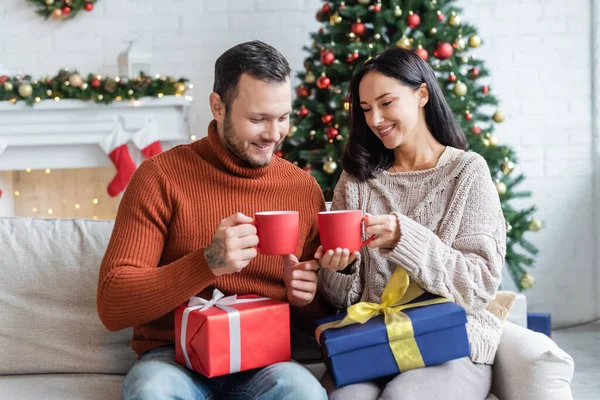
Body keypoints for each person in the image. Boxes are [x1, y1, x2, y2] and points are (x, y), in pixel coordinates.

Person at [97, 40, 327, 400]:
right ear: (218, 107)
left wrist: (304, 297)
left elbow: (318, 316)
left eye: (283, 117)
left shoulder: (302, 189)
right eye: (257, 119)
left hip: (264, 358)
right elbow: (112, 304)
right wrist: (207, 263)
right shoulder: (159, 177)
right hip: (173, 358)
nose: (274, 134)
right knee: (152, 390)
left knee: (305, 392)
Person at [315, 48, 506, 400]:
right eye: (366, 109)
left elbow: (478, 288)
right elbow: (343, 301)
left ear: (421, 94)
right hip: (372, 342)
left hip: (449, 345)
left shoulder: (467, 173)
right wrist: (339, 271)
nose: (375, 119)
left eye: (386, 103)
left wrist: (407, 239)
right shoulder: (356, 181)